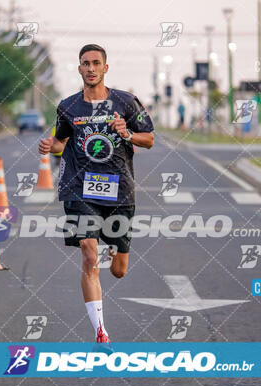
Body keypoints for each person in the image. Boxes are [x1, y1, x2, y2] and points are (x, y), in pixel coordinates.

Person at [38, 44, 154, 345]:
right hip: (79, 188)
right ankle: (100, 330)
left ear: (105, 68)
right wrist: (49, 146)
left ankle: (116, 251)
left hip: (119, 190)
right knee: (89, 254)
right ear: (79, 69)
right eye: (85, 63)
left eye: (96, 63)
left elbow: (150, 140)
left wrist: (127, 133)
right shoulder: (68, 106)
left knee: (118, 271)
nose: (90, 68)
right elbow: (61, 142)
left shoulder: (126, 103)